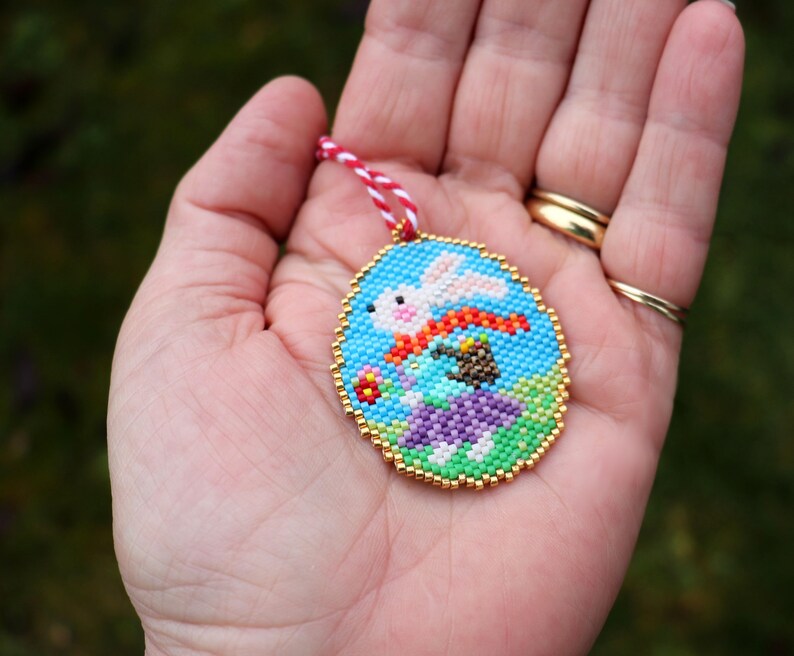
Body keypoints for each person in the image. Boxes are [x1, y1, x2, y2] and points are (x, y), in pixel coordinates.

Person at [107, 0, 744, 653]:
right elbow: (413, 364)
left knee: (471, 393)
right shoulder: (399, 340)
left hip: (469, 376)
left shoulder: (450, 321)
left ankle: (477, 423)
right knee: (444, 404)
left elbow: (466, 345)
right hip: (439, 393)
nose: (389, 317)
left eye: (394, 308)